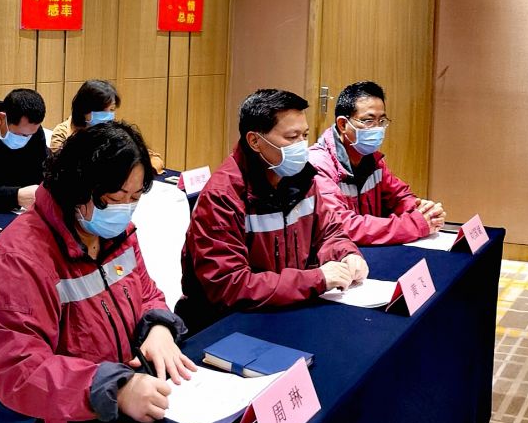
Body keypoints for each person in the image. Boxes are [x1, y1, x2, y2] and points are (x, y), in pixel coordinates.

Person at [0, 121, 193, 423]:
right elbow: (19, 371)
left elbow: (144, 290)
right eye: (115, 199)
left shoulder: (116, 232)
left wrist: (158, 326)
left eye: (134, 198)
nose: (125, 210)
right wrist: (116, 388)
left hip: (96, 407)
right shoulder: (19, 258)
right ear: (77, 188)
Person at [180, 89, 367, 327]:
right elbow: (230, 285)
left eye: (304, 135)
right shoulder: (222, 196)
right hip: (228, 322)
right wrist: (315, 279)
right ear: (255, 141)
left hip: (287, 307)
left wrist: (346, 253)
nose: (302, 146)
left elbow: (328, 233)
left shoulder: (301, 177)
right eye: (291, 137)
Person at [309, 81, 447, 244]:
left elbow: (398, 196)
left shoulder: (372, 158)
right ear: (343, 124)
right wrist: (416, 224)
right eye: (369, 121)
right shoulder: (318, 165)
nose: (377, 128)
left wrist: (423, 210)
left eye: (381, 121)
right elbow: (342, 225)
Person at [48, 79, 164, 172]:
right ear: (84, 109)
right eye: (102, 110)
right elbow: (61, 169)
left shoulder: (114, 131)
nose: (108, 115)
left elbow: (153, 159)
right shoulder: (63, 132)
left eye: (112, 109)